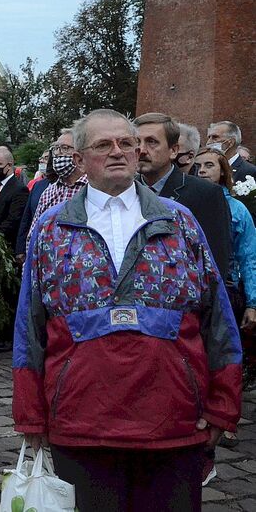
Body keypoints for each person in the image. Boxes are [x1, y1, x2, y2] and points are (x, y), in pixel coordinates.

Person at [13, 109, 243, 511]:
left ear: (138, 153)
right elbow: (29, 325)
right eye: (103, 144)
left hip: (172, 421)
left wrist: (224, 405)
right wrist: (31, 415)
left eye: (126, 143)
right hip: (81, 423)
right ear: (81, 160)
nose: (117, 152)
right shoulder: (52, 228)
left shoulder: (181, 222)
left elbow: (217, 317)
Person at [135, 113, 232, 280]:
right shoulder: (122, 191)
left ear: (173, 151)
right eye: (136, 142)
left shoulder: (205, 194)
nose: (141, 150)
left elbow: (216, 262)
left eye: (152, 142)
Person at [194, 148, 256, 390]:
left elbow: (248, 257)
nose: (202, 171)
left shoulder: (238, 210)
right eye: (198, 166)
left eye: (209, 165)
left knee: (226, 355)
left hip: (228, 290)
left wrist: (252, 303)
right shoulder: (187, 203)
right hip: (195, 291)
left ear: (222, 172)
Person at [0, 145, 29, 353]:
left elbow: (14, 219)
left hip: (5, 248)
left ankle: (6, 336)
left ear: (9, 166)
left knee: (7, 294)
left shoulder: (19, 189)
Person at [24, 130, 88, 251]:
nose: (58, 154)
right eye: (55, 148)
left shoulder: (92, 189)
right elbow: (33, 235)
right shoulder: (49, 192)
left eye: (65, 148)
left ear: (80, 154)